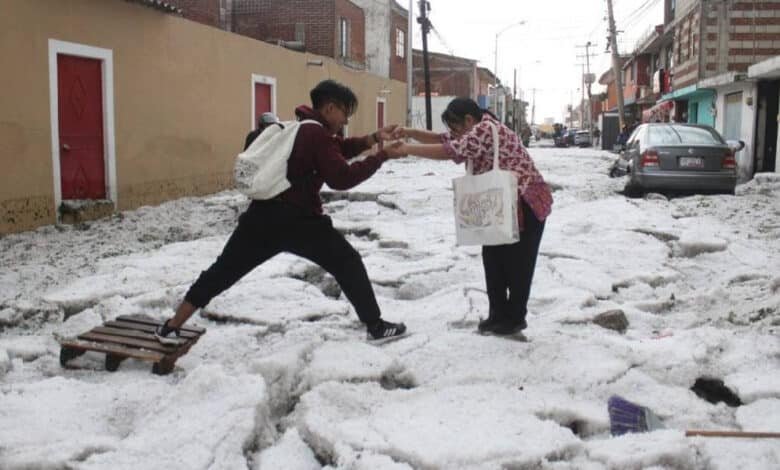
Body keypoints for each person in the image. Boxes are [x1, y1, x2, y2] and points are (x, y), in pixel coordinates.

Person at [155, 80, 407, 344]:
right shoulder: (317, 135)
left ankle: (171, 327)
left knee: (221, 272)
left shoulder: (300, 128)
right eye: (345, 113)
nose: (345, 120)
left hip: (261, 218)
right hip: (300, 222)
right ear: (330, 108)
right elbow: (341, 178)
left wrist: (375, 138)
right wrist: (382, 157)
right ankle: (376, 327)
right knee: (348, 262)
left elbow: (338, 150)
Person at [386, 97, 553, 336]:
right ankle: (497, 315)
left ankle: (514, 318)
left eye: (456, 127)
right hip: (502, 203)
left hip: (526, 203)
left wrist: (406, 149)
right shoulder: (476, 128)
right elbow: (444, 140)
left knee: (518, 264)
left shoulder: (485, 128)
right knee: (493, 259)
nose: (453, 133)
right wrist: (409, 132)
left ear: (468, 120)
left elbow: (452, 149)